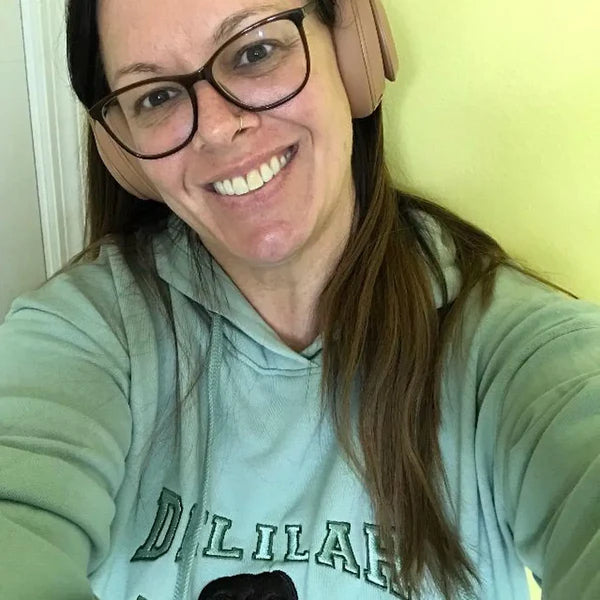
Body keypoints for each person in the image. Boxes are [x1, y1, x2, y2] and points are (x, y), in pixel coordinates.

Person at [0, 0, 598, 598]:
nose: (216, 128)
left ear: (352, 48)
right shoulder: (83, 335)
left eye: (254, 51)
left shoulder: (504, 349)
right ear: (123, 150)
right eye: (156, 97)